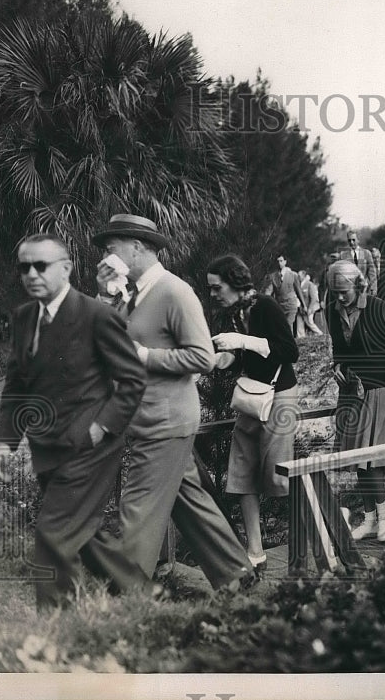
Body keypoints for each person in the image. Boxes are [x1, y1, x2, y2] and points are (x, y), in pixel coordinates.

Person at [0, 234, 151, 609]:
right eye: (24, 267)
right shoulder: (25, 317)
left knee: (53, 534)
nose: (31, 274)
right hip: (48, 447)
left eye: (40, 265)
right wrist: (4, 441)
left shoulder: (97, 316)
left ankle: (59, 623)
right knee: (82, 533)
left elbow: (132, 379)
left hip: (90, 448)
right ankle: (144, 594)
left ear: (65, 268)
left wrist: (102, 427)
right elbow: (17, 385)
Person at [93, 215, 254, 589]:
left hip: (163, 422)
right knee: (190, 502)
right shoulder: (130, 294)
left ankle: (124, 599)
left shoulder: (174, 292)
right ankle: (237, 578)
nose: (104, 256)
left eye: (110, 248)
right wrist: (104, 296)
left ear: (136, 248)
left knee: (137, 508)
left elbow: (202, 357)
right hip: (147, 418)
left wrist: (145, 357)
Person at [206, 253, 301, 569]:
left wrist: (243, 341)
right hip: (250, 397)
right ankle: (255, 552)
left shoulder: (265, 306)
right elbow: (248, 358)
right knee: (242, 474)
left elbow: (290, 351)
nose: (213, 295)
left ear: (233, 282)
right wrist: (227, 360)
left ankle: (319, 529)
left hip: (278, 397)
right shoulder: (234, 313)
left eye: (217, 287)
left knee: (280, 476)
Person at [325, 261, 385, 543]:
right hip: (351, 391)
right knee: (357, 460)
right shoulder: (333, 311)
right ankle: (370, 518)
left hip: (378, 390)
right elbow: (338, 347)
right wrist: (338, 365)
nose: (340, 298)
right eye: (335, 293)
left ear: (357, 286)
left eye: (344, 292)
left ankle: (384, 514)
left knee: (371, 461)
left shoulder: (378, 306)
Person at [263, 255, 306, 335]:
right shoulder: (273, 276)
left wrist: (304, 305)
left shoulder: (293, 275)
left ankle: (291, 345)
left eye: (281, 261)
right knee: (281, 327)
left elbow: (298, 291)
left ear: (285, 262)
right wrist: (264, 300)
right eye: (278, 261)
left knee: (288, 325)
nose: (279, 263)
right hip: (280, 306)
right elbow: (269, 291)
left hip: (291, 305)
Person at [340, 230, 378, 295]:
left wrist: (373, 289)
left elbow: (372, 274)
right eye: (349, 240)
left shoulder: (366, 253)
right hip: (349, 293)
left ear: (358, 240)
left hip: (365, 291)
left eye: (353, 240)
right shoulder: (343, 256)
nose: (351, 242)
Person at [295, 269, 324, 337]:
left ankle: (320, 334)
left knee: (310, 323)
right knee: (299, 324)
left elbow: (313, 298)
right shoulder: (298, 285)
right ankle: (301, 339)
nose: (298, 277)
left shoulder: (309, 284)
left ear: (304, 276)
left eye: (299, 276)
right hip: (301, 308)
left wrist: (310, 308)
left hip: (309, 308)